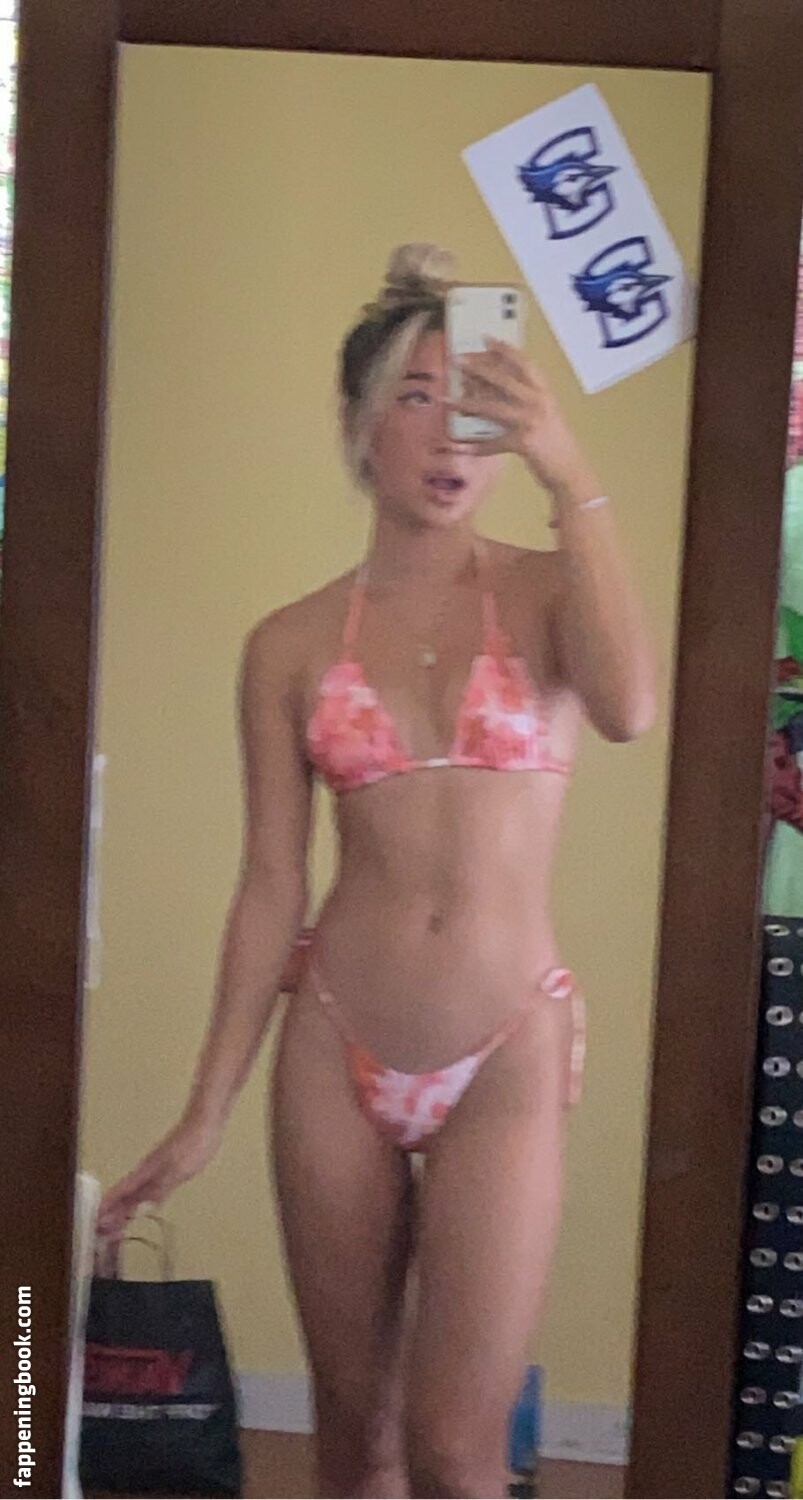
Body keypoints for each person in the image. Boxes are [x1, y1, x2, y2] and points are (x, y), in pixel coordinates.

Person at [97, 244, 656, 1499]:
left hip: (504, 1043)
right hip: (333, 1043)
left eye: (474, 401)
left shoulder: (548, 590)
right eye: (414, 397)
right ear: (358, 426)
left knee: (457, 1450)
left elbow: (627, 708)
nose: (448, 432)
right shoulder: (288, 644)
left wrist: (568, 469)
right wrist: (203, 1110)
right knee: (356, 1444)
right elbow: (268, 888)